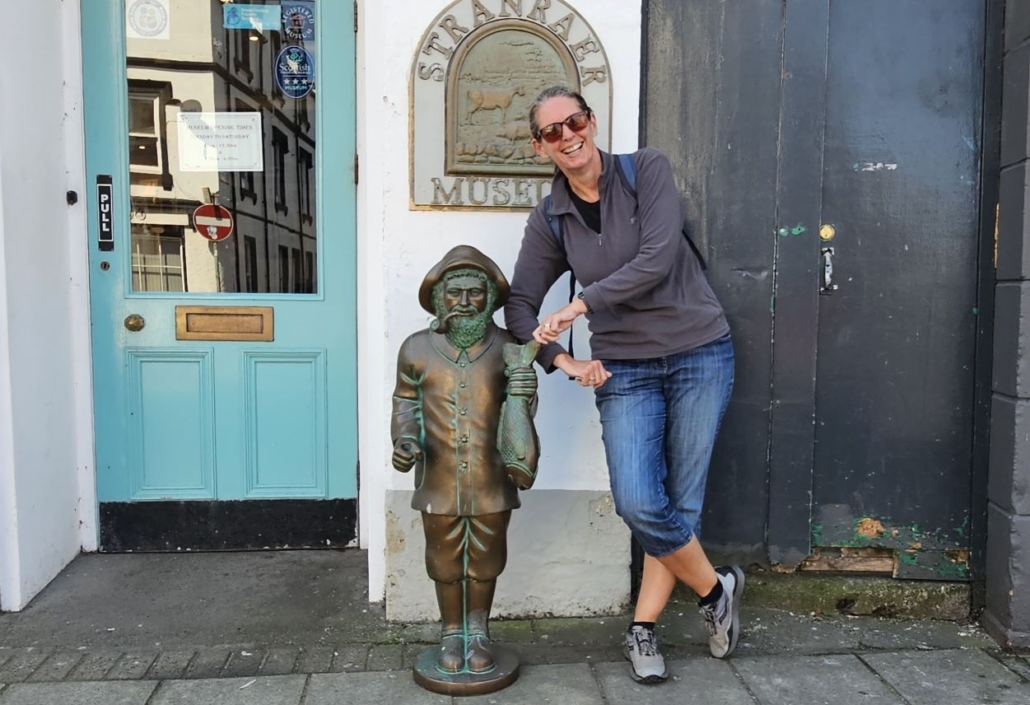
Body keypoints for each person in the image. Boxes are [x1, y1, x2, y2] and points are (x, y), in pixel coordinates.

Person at [504, 86, 743, 685]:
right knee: (639, 499)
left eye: (574, 121)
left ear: (591, 120)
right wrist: (561, 361)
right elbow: (520, 308)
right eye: (552, 132)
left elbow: (659, 257)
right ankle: (717, 590)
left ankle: (643, 629)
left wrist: (582, 303)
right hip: (625, 369)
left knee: (680, 501)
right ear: (540, 148)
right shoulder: (551, 219)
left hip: (698, 352)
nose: (568, 137)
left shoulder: (647, 170)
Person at [392, 245, 539, 677]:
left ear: (490, 299)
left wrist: (524, 389)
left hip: (491, 479)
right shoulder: (416, 349)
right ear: (439, 298)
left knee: (486, 558)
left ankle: (478, 631)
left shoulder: (509, 348)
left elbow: (522, 412)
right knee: (443, 557)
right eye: (454, 293)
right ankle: (450, 630)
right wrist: (405, 440)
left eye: (474, 293)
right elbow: (405, 403)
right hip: (437, 480)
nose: (463, 302)